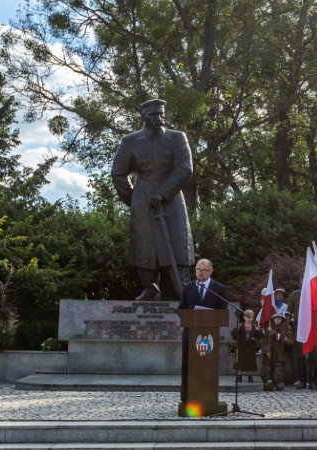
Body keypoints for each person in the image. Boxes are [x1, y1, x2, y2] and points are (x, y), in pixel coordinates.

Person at [111, 99, 195, 301]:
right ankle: (150, 288)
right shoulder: (130, 141)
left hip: (172, 200)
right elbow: (118, 173)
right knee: (144, 246)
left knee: (178, 244)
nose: (159, 118)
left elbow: (185, 168)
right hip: (143, 203)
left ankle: (184, 289)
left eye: (161, 114)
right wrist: (133, 200)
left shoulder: (177, 137)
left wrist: (164, 193)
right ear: (144, 117)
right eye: (154, 115)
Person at [178, 259, 228, 401]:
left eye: (204, 270)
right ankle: (187, 397)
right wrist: (190, 316)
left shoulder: (219, 289)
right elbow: (180, 309)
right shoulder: (188, 287)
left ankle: (208, 397)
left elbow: (223, 311)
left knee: (208, 367)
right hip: (190, 335)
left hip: (209, 337)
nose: (200, 273)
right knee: (188, 365)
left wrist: (209, 316)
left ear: (210, 271)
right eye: (198, 269)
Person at [262, 312, 295, 390]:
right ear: (272, 319)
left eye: (279, 319)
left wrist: (274, 332)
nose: (277, 320)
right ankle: (268, 381)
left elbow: (282, 338)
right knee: (268, 367)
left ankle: (278, 382)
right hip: (269, 352)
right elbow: (264, 341)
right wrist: (266, 350)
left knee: (278, 367)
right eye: (276, 318)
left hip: (279, 352)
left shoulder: (283, 329)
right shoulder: (267, 329)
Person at [232, 309, 260, 383]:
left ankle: (250, 376)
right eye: (247, 316)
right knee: (240, 362)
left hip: (251, 348)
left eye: (251, 317)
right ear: (244, 317)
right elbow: (234, 336)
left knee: (250, 363)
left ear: (253, 318)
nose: (249, 318)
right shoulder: (240, 326)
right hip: (241, 347)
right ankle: (239, 376)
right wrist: (236, 330)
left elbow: (259, 337)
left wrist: (258, 331)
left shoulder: (254, 327)